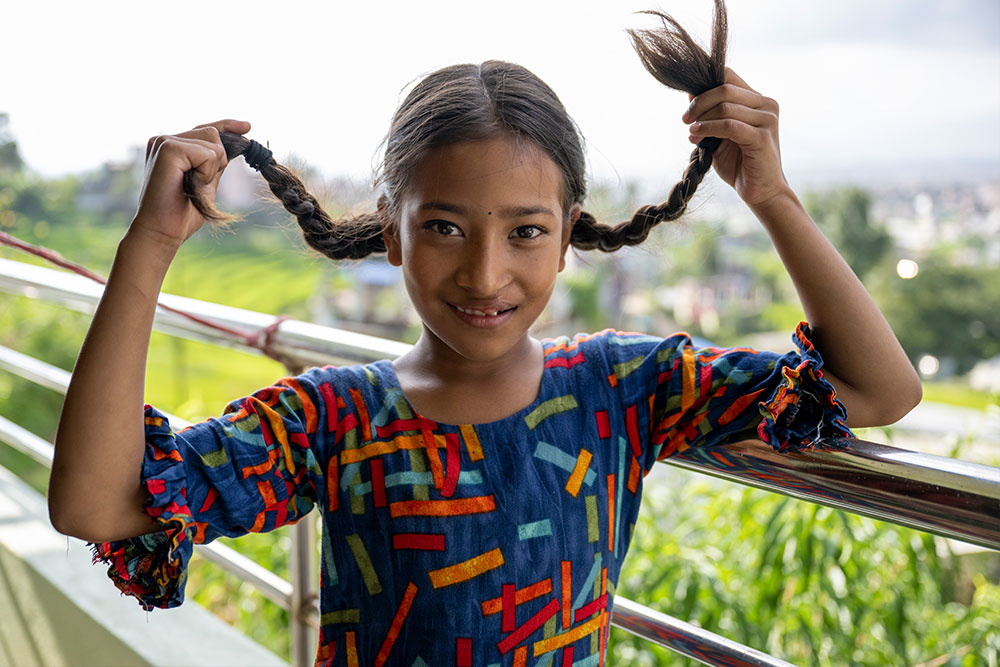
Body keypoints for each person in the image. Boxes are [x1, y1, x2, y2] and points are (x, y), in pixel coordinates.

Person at [48, 4, 921, 665]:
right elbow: (96, 505)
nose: (486, 274)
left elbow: (882, 389)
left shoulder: (624, 387)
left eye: (527, 231)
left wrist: (771, 196)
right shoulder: (330, 420)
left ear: (571, 231)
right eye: (446, 227)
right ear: (391, 231)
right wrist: (150, 244)